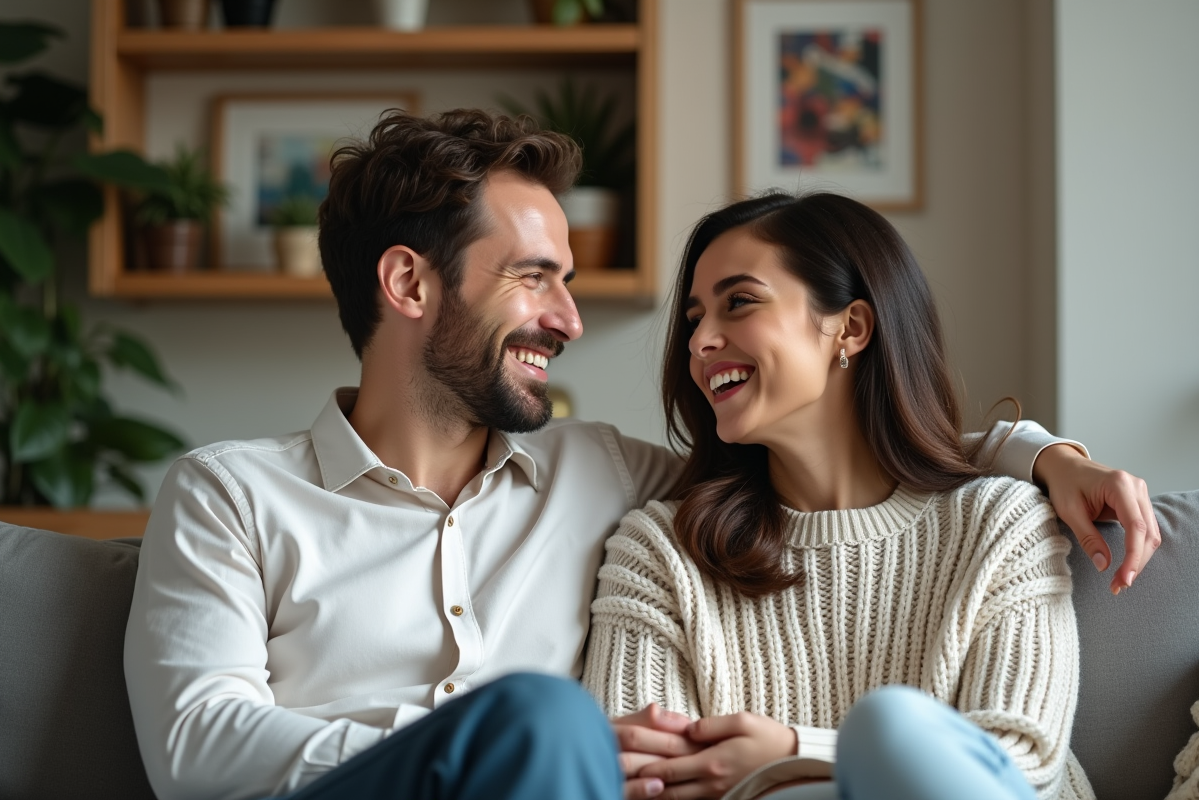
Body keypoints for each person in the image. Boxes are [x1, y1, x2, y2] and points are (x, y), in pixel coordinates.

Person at [123, 111, 1153, 800]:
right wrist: (467, 752)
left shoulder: (608, 480)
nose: (569, 318)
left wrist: (1035, 454)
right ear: (409, 283)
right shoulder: (231, 491)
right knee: (545, 722)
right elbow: (195, 743)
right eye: (535, 277)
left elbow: (841, 469)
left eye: (568, 280)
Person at [582, 192, 1100, 800]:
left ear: (850, 328)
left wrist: (793, 753)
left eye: (739, 302)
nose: (700, 342)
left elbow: (1020, 765)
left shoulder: (1000, 524)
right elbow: (639, 779)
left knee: (893, 725)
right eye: (696, 318)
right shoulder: (661, 552)